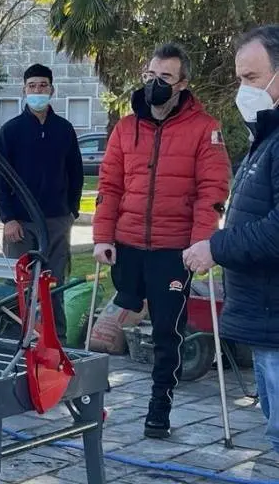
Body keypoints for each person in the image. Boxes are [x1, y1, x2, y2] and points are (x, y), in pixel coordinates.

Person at [93, 43, 231, 439]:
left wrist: (201, 244)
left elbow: (212, 191)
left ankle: (159, 408)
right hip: (128, 243)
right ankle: (90, 396)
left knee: (169, 329)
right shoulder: (125, 126)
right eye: (151, 75)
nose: (155, 84)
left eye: (165, 77)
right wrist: (103, 237)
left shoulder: (205, 129)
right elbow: (109, 186)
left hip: (175, 249)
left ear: (183, 84)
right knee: (119, 313)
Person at [183, 24, 279, 453]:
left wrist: (215, 247)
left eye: (252, 78)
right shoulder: (268, 137)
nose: (243, 89)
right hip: (266, 317)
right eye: (240, 78)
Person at [0, 63, 84, 342]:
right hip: (21, 223)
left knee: (54, 283)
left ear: (51, 89)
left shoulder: (64, 130)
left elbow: (76, 173)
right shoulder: (11, 131)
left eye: (42, 86)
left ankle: (56, 339)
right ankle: (14, 339)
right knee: (19, 286)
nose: (37, 91)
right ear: (24, 90)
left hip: (57, 221)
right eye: (32, 86)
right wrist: (8, 218)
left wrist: (72, 211)